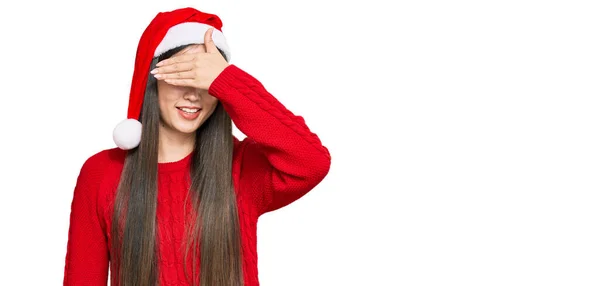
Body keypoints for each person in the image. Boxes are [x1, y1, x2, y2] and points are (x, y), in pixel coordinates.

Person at [62, 7, 331, 286]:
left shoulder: (240, 167)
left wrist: (228, 81)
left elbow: (312, 162)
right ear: (153, 79)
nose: (194, 95)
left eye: (205, 81)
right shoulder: (102, 172)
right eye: (183, 75)